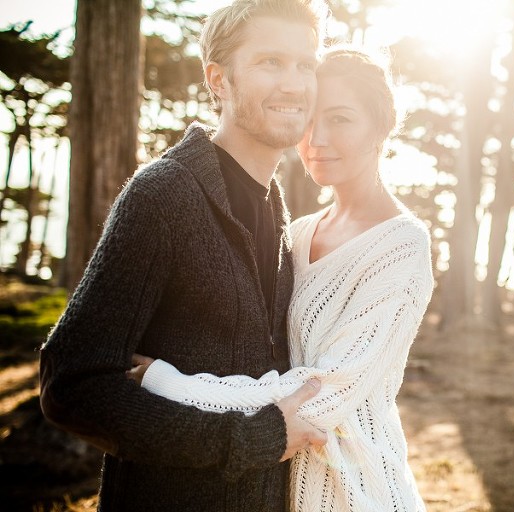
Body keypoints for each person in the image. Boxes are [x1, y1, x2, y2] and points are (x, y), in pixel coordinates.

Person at [38, 1, 329, 510]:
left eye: (305, 65)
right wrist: (250, 439)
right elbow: (71, 384)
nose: (294, 83)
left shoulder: (278, 212)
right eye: (270, 62)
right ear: (218, 80)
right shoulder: (164, 195)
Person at [130, 49, 433, 511]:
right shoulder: (296, 232)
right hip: (279, 491)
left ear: (382, 128)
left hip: (362, 494)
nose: (317, 139)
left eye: (341, 119)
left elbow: (317, 398)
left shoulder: (403, 246)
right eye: (310, 120)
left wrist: (167, 382)